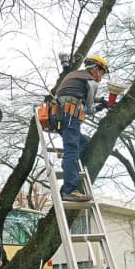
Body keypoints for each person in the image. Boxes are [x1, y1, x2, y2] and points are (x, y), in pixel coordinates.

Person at [53, 55, 109, 202]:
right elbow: (89, 109)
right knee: (72, 150)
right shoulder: (91, 81)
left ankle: (67, 165)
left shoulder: (74, 75)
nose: (102, 77)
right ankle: (70, 190)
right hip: (70, 115)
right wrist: (100, 107)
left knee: (82, 143)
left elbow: (77, 95)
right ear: (96, 69)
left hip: (56, 115)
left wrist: (100, 99)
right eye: (102, 72)